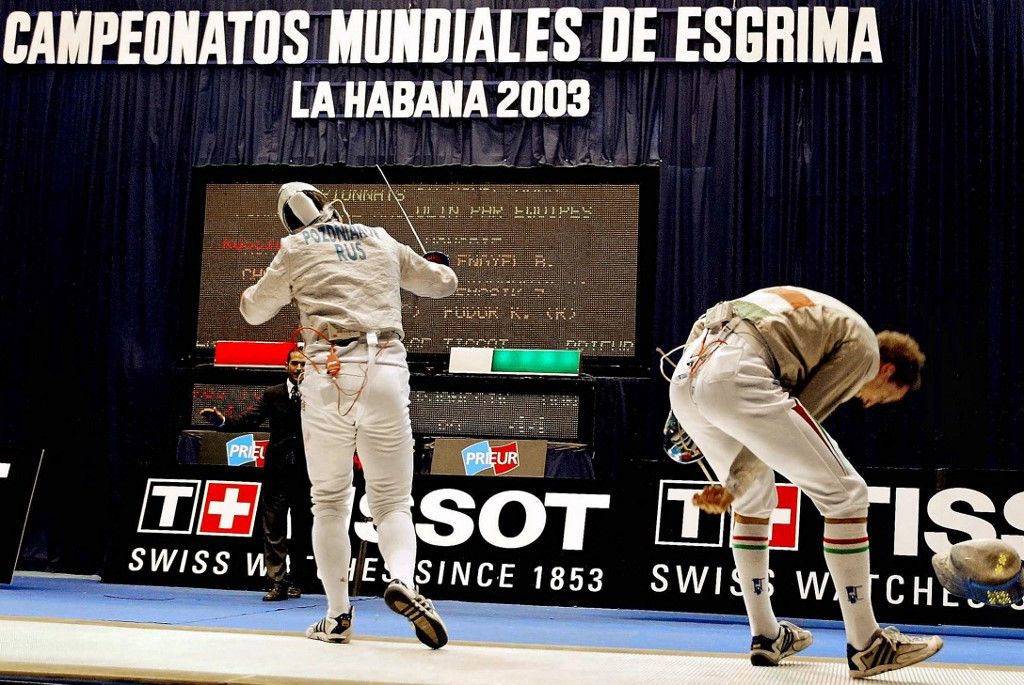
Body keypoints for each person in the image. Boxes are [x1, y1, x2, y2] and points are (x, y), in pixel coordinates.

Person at [667, 286, 941, 679]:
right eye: (883, 397)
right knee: (847, 494)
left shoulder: (823, 317)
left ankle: (767, 635)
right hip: (737, 372)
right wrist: (735, 479)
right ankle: (868, 644)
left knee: (753, 500)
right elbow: (806, 407)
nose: (869, 402)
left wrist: (733, 482)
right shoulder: (864, 349)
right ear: (887, 370)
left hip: (689, 371)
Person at [238, 182, 457, 649]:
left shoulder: (293, 249)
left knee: (330, 501)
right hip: (386, 372)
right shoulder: (378, 236)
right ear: (327, 203)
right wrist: (440, 266)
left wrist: (259, 290)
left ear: (289, 221)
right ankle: (403, 581)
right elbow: (442, 285)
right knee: (393, 502)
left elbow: (254, 312)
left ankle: (338, 616)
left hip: (327, 376)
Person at [201, 348, 313, 602]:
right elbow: (247, 421)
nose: (299, 369)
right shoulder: (272, 394)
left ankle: (297, 579)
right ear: (286, 366)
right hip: (277, 472)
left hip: (308, 472)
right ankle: (278, 582)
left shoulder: (318, 395)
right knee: (273, 528)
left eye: (303, 365)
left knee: (304, 528)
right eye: (295, 364)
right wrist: (221, 422)